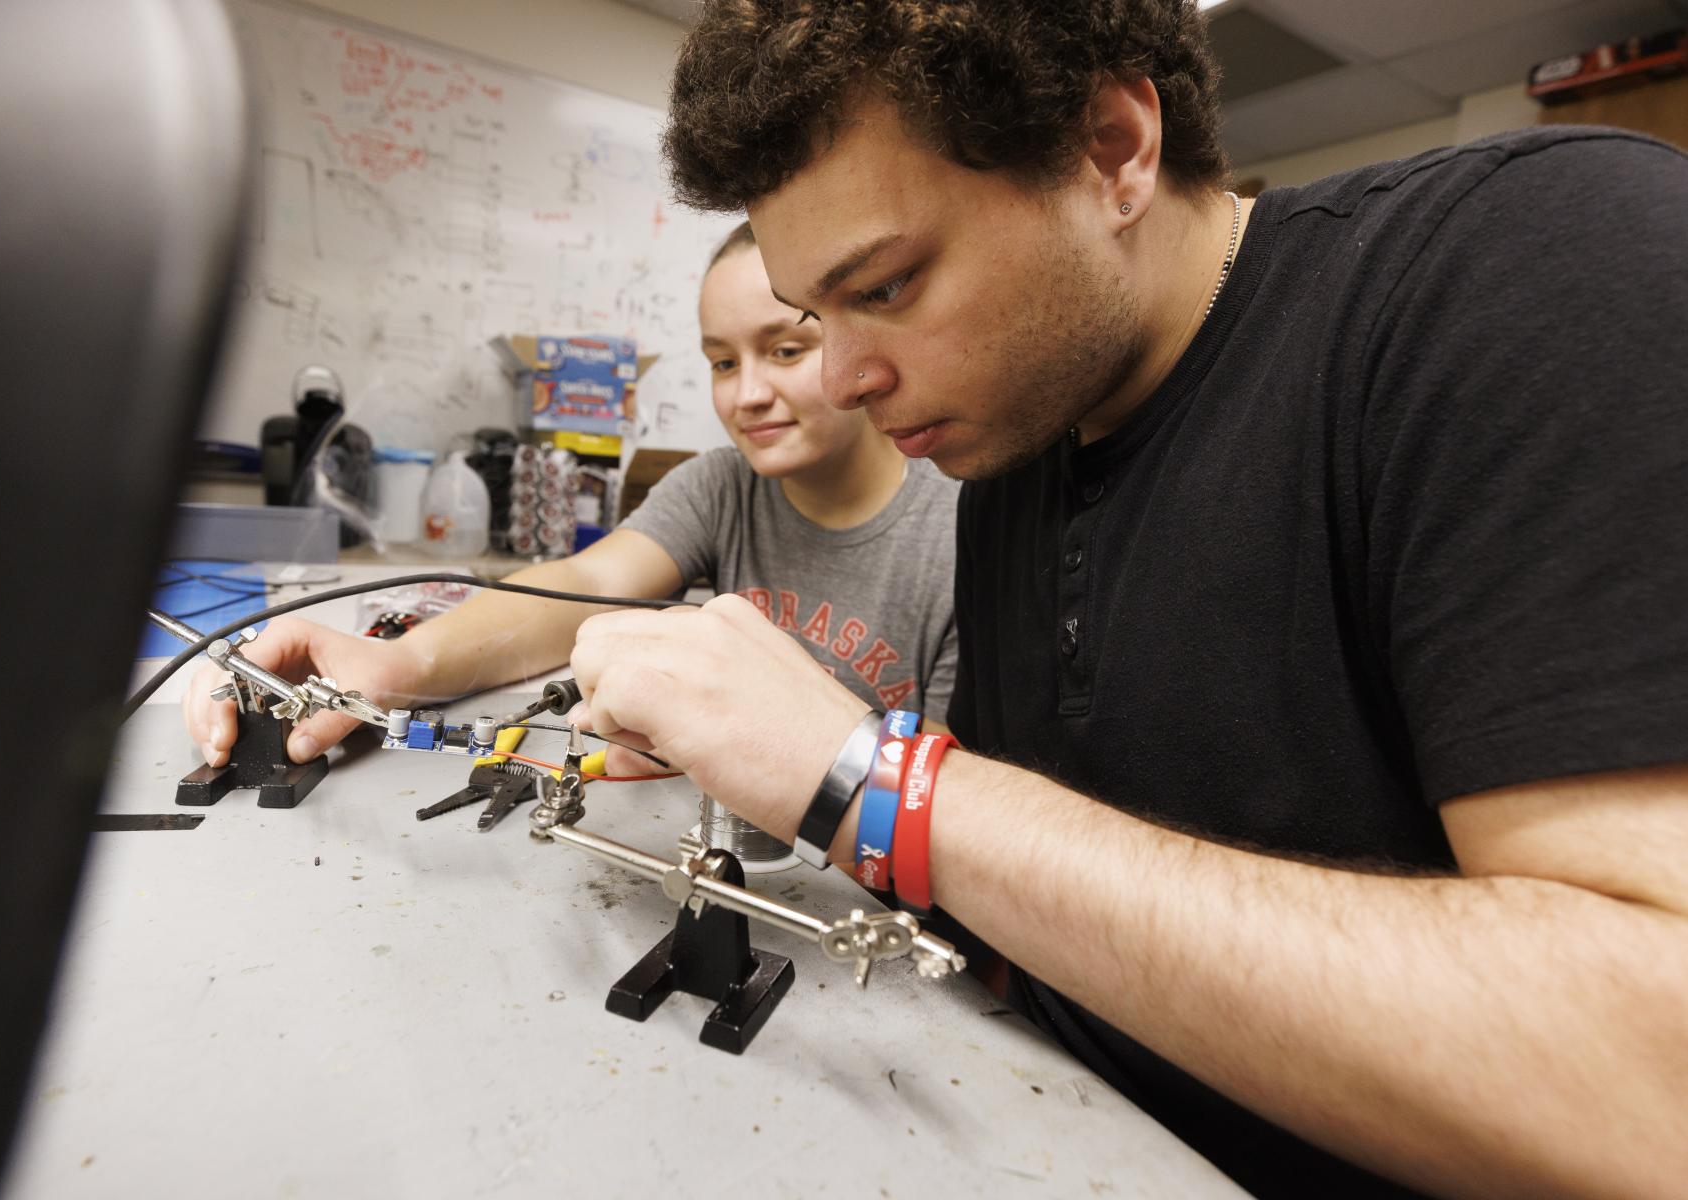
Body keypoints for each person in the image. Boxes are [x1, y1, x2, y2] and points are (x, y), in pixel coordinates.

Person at [563, 3, 1688, 1198]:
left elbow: (1645, 1084)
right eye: (815, 316)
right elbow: (1035, 893)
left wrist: (860, 775)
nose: (842, 375)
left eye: (883, 287)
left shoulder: (1531, 259)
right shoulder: (1013, 438)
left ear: (1110, 148)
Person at [183, 222, 959, 768]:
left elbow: (946, 793)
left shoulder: (958, 525)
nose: (746, 393)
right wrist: (400, 663)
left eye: (785, 351)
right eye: (721, 362)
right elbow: (581, 587)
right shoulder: (719, 487)